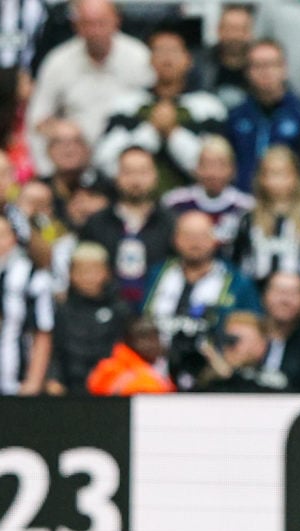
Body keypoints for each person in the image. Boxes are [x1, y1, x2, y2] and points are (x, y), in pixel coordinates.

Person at [93, 26, 227, 194]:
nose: (167, 58)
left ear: (189, 59)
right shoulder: (127, 104)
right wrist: (152, 130)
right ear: (149, 60)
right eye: (160, 51)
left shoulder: (208, 107)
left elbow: (216, 169)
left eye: (174, 51)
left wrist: (173, 132)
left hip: (194, 205)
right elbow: (106, 161)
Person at [27, 0, 153, 175]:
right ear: (75, 25)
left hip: (125, 166)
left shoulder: (139, 58)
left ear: (117, 21)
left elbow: (154, 111)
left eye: (101, 23)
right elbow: (36, 122)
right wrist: (46, 173)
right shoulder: (58, 62)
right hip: (73, 167)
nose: (95, 31)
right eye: (87, 24)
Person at [143, 210, 261, 391]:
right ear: (175, 239)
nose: (195, 242)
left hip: (214, 380)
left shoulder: (237, 282)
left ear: (214, 240)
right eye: (188, 235)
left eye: (202, 235)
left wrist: (226, 365)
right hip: (153, 378)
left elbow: (253, 335)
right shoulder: (157, 275)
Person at [231, 146, 300, 333]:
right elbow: (235, 267)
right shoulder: (247, 219)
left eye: (283, 174)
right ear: (260, 178)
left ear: (296, 177)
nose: (276, 181)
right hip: (254, 311)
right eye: (270, 174)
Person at [79, 146, 175, 309]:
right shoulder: (96, 223)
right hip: (104, 312)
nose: (135, 180)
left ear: (155, 176)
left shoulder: (171, 223)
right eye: (128, 172)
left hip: (157, 311)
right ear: (116, 176)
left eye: (143, 172)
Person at [46, 241, 132, 395]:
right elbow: (55, 350)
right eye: (81, 271)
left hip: (110, 388)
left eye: (94, 271)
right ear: (71, 274)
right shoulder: (63, 310)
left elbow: (124, 352)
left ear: (107, 272)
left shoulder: (120, 310)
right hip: (70, 388)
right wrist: (54, 379)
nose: (88, 277)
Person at [226, 39, 300, 192]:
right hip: (243, 201)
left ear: (284, 69)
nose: (265, 72)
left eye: (271, 65)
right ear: (247, 71)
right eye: (258, 65)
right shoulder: (235, 116)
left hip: (289, 202)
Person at [162, 135, 254, 255]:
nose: (213, 173)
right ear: (196, 168)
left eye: (220, 165)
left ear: (232, 169)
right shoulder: (174, 203)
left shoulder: (247, 207)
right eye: (206, 164)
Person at [0, 210, 53, 395]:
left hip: (15, 381)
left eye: (2, 235)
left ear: (14, 238)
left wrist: (33, 382)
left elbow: (43, 331)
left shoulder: (32, 277)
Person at [195, 310, 289, 393]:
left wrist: (229, 376)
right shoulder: (211, 376)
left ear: (261, 345)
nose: (229, 347)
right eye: (227, 340)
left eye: (235, 340)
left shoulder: (272, 378)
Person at [87, 315, 176, 395]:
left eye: (155, 337)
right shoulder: (112, 370)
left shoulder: (158, 368)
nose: (151, 344)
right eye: (143, 337)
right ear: (129, 341)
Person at [191, 3, 254, 111]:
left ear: (250, 33)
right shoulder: (198, 62)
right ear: (219, 30)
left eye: (241, 29)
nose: (235, 36)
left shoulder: (262, 63)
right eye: (230, 28)